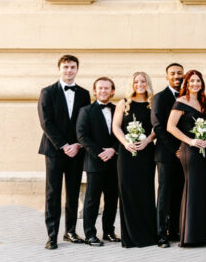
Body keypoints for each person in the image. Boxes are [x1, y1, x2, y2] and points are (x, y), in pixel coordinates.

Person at [37, 54, 90, 249]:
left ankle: (70, 231)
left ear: (77, 69)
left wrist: (77, 144)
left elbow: (84, 122)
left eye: (72, 67)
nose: (69, 70)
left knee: (73, 192)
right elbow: (46, 122)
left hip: (76, 150)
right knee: (53, 193)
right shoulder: (47, 92)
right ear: (59, 69)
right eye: (66, 67)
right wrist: (63, 145)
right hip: (54, 150)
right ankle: (52, 235)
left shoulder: (84, 94)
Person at [111, 72, 157, 248]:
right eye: (136, 81)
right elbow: (116, 126)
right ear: (132, 84)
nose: (140, 84)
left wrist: (147, 140)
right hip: (127, 153)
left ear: (147, 83)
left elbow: (155, 127)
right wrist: (125, 143)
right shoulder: (124, 103)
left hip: (146, 153)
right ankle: (130, 236)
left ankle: (147, 234)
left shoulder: (152, 103)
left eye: (143, 81)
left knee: (145, 191)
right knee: (128, 192)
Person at [166, 70, 206, 247]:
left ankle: (201, 233)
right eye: (192, 81)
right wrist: (190, 141)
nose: (195, 84)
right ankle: (189, 236)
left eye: (198, 81)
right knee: (192, 188)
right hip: (190, 150)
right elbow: (171, 127)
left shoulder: (203, 102)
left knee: (202, 189)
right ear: (186, 83)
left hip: (203, 150)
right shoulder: (181, 101)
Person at [76, 77, 121, 246]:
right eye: (100, 88)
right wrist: (100, 153)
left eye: (107, 88)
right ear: (95, 91)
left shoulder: (118, 110)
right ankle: (89, 234)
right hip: (95, 162)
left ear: (112, 91)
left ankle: (108, 232)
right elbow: (82, 135)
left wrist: (114, 149)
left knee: (111, 200)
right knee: (92, 200)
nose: (103, 91)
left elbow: (123, 133)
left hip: (114, 161)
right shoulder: (85, 111)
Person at [151, 62, 184, 247]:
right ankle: (161, 234)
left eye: (180, 73)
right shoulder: (159, 98)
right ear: (167, 77)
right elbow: (158, 127)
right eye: (173, 73)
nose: (177, 76)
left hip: (184, 154)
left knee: (179, 193)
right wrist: (175, 149)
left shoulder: (188, 97)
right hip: (166, 154)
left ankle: (175, 231)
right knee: (164, 194)